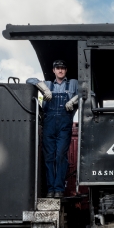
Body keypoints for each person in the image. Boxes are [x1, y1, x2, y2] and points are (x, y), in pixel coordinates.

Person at [27, 60, 79, 198]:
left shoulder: (73, 83)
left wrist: (74, 100)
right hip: (49, 125)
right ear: (53, 70)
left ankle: (59, 189)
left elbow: (88, 93)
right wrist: (44, 89)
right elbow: (29, 80)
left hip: (64, 125)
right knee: (49, 157)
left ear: (66, 70)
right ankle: (51, 189)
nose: (60, 70)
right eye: (57, 68)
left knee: (60, 155)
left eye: (63, 68)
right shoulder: (48, 84)